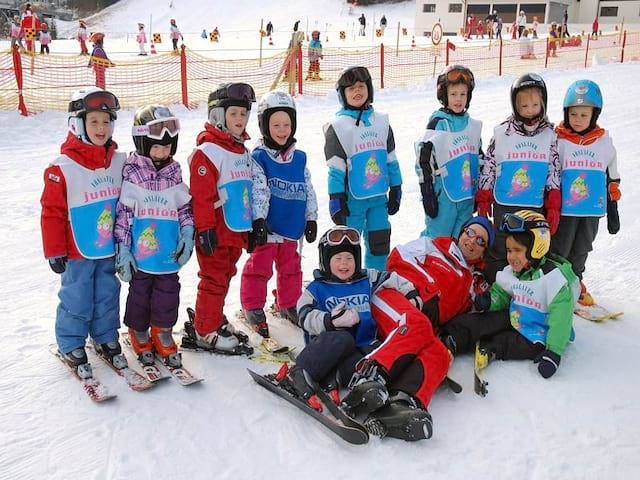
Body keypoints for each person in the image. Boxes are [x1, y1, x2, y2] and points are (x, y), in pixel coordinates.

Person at [338, 216, 494, 440]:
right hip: (393, 298)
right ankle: (368, 379)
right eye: (470, 233)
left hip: (416, 330)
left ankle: (401, 402)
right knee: (418, 323)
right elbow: (397, 258)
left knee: (440, 352)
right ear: (461, 232)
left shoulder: (472, 283)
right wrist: (427, 293)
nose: (472, 241)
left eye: (481, 241)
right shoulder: (432, 246)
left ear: (483, 252)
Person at [283, 226, 434, 441]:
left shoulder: (366, 279)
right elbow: (304, 315)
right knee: (341, 337)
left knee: (382, 354)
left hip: (361, 350)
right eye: (338, 258)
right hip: (327, 349)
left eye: (349, 258)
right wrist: (329, 321)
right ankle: (298, 374)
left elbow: (394, 279)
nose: (344, 263)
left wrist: (411, 294)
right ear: (325, 261)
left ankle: (358, 388)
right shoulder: (318, 288)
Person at [41, 87, 126, 374]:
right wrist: (54, 250)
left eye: (106, 121)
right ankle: (70, 341)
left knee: (107, 292)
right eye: (94, 122)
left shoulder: (118, 162)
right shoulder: (62, 168)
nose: (101, 128)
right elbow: (51, 213)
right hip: (76, 249)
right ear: (77, 125)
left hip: (107, 247)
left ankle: (104, 335)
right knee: (77, 294)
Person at [441, 210, 579, 379]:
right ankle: (451, 338)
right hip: (516, 315)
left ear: (536, 248)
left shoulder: (553, 279)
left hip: (540, 328)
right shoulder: (513, 272)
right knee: (486, 320)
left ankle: (491, 349)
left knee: (524, 344)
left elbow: (561, 320)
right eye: (508, 250)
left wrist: (553, 352)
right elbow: (503, 292)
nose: (511, 257)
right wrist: (490, 301)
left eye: (517, 250)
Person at [115, 105, 194, 368]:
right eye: (157, 147)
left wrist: (187, 232)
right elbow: (124, 216)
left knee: (168, 295)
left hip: (168, 255)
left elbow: (183, 208)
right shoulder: (132, 173)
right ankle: (138, 331)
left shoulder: (175, 174)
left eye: (168, 147)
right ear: (141, 143)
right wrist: (123, 250)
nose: (163, 152)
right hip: (141, 256)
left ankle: (161, 331)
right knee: (139, 295)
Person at [181, 82, 257, 354]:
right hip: (214, 231)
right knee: (213, 279)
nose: (240, 120)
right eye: (234, 114)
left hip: (234, 230)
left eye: (243, 114)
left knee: (225, 276)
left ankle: (212, 318)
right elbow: (202, 196)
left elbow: (246, 192)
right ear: (218, 116)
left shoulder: (241, 151)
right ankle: (204, 330)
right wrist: (204, 229)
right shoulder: (208, 152)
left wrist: (251, 228)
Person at [240, 90, 318, 334]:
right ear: (264, 125)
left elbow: (308, 189)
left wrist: (311, 218)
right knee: (259, 268)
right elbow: (259, 191)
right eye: (276, 124)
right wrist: (259, 219)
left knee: (291, 268)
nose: (282, 130)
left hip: (291, 227)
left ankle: (288, 302)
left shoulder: (299, 158)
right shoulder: (259, 158)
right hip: (269, 228)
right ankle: (252, 306)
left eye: (287, 124)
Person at [476, 73, 561, 283]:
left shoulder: (550, 136)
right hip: (505, 202)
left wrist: (553, 202)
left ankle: (527, 286)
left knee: (528, 246)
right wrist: (485, 194)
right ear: (515, 106)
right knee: (502, 246)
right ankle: (496, 284)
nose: (530, 110)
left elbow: (553, 169)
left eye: (535, 105)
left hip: (533, 203)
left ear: (543, 104)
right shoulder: (502, 132)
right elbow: (490, 163)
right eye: (524, 106)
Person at [323, 66, 403, 271]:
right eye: (350, 89)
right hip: (352, 201)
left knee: (380, 241)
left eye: (361, 86)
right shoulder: (339, 126)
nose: (357, 91)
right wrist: (336, 196)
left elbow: (391, 159)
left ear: (369, 89)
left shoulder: (382, 122)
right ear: (343, 95)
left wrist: (396, 186)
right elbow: (335, 167)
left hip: (378, 198)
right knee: (348, 245)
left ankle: (377, 277)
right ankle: (349, 280)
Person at [550, 80, 621, 306]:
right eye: (574, 114)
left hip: (591, 209)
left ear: (594, 115)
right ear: (566, 113)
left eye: (583, 115)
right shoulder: (558, 140)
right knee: (561, 247)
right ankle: (555, 284)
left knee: (582, 247)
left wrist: (613, 206)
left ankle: (575, 282)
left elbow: (611, 175)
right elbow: (551, 174)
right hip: (567, 210)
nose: (578, 120)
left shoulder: (603, 143)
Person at [416, 65, 481, 239]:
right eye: (453, 94)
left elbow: (478, 159)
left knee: (461, 240)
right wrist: (427, 191)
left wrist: (479, 191)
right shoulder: (439, 123)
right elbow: (424, 160)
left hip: (466, 195)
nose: (458, 99)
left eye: (463, 94)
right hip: (444, 197)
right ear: (444, 96)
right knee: (438, 238)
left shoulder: (472, 125)